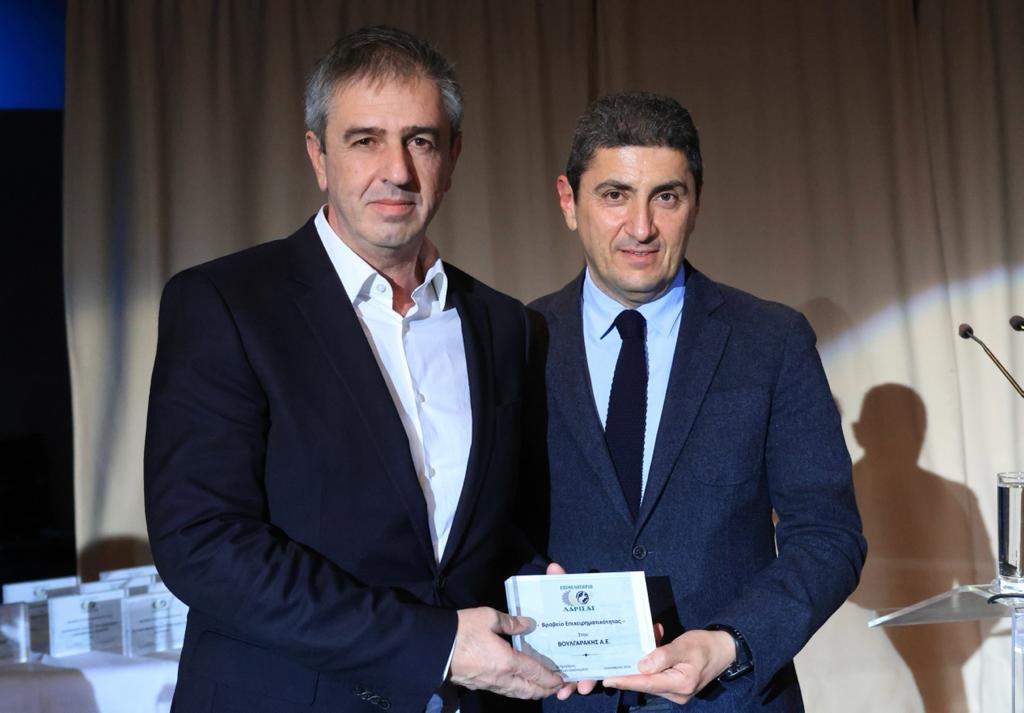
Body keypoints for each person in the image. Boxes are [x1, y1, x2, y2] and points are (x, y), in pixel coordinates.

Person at [144, 25, 562, 713]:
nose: (396, 170)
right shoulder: (225, 303)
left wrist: (559, 601)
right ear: (319, 155)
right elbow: (204, 543)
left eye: (420, 141)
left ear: (453, 156)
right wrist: (434, 645)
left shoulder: (503, 324)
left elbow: (494, 534)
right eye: (365, 140)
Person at [526, 92, 866, 712]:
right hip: (562, 696)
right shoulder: (519, 341)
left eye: (666, 197)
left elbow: (828, 536)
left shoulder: (772, 341)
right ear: (568, 201)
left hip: (728, 696)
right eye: (614, 195)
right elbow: (485, 529)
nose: (641, 228)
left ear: (695, 204)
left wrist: (730, 644)